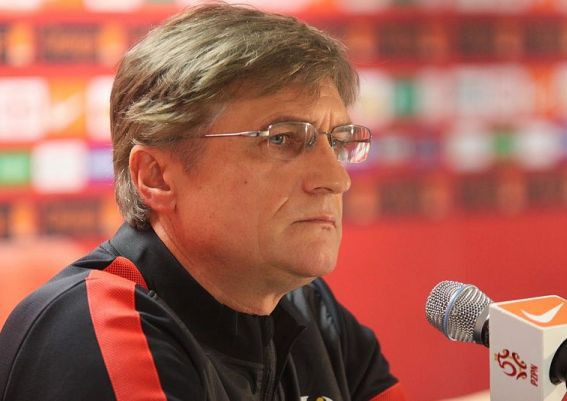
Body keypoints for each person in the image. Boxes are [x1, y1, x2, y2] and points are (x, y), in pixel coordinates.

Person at [0, 4, 406, 401]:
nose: (336, 179)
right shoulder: (98, 327)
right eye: (281, 139)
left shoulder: (313, 310)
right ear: (156, 177)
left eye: (337, 142)